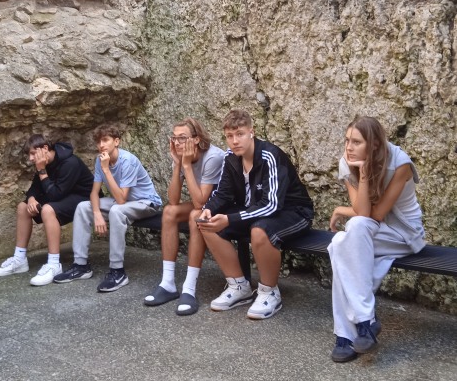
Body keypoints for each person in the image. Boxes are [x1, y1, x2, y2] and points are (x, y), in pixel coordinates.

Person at [197, 109, 314, 320]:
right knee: (206, 222)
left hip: (293, 213)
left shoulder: (270, 155)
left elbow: (272, 205)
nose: (235, 141)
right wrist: (209, 209)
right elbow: (222, 194)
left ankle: (269, 292)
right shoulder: (231, 158)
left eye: (240, 134)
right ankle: (238, 286)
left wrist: (230, 219)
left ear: (252, 132)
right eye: (229, 136)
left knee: (259, 231)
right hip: (256, 212)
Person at [328, 116, 425, 363]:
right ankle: (363, 325)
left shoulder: (400, 163)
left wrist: (340, 209)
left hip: (403, 233)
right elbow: (362, 212)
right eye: (347, 140)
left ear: (374, 144)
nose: (349, 147)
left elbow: (376, 214)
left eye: (356, 142)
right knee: (342, 241)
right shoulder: (347, 161)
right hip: (371, 230)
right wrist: (361, 173)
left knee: (343, 243)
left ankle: (349, 332)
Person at [53, 123, 162, 292]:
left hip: (146, 203)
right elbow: (94, 193)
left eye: (105, 140)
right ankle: (81, 266)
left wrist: (106, 170)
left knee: (116, 210)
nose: (101, 145)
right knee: (83, 207)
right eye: (98, 141)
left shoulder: (127, 161)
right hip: (124, 202)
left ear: (116, 141)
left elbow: (121, 199)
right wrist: (96, 214)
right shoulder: (101, 160)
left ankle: (118, 272)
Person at [143, 118, 225, 315]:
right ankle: (168, 283)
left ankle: (189, 288)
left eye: (182, 138)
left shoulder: (213, 157)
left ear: (196, 139)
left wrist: (186, 166)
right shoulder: (181, 156)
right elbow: (173, 200)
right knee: (169, 212)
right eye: (174, 138)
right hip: (204, 204)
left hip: (224, 207)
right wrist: (178, 164)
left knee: (196, 214)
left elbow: (200, 203)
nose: (177, 142)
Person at [0, 134, 94, 286]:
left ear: (45, 148)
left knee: (47, 209)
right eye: (29, 155)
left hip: (86, 199)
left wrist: (42, 171)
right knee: (23, 207)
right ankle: (19, 259)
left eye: (33, 154)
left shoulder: (70, 163)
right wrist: (31, 199)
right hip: (64, 195)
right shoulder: (44, 162)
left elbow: (55, 195)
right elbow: (35, 188)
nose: (31, 159)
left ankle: (54, 264)